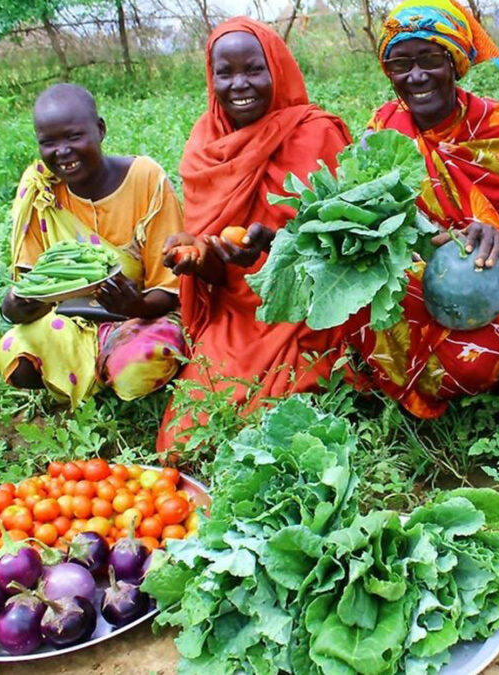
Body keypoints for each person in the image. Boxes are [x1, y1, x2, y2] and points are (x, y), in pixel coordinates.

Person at [156, 17, 351, 453]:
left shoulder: (316, 133)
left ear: (277, 71)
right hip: (237, 309)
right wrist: (197, 257)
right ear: (212, 78)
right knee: (189, 431)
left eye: (253, 70)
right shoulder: (206, 143)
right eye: (225, 73)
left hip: (308, 305)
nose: (239, 84)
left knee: (280, 423)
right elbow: (212, 253)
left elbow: (346, 244)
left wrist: (280, 247)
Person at [343, 0, 499, 419]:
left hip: (489, 285)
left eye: (430, 59)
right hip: (411, 277)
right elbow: (370, 214)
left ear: (456, 62)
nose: (416, 76)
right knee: (355, 312)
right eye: (400, 64)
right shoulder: (383, 127)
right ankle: (389, 378)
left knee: (475, 362)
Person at [0, 84, 185, 407]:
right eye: (48, 143)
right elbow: (32, 287)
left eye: (74, 137)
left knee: (142, 364)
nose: (62, 152)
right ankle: (91, 367)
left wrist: (134, 307)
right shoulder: (42, 190)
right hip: (70, 322)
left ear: (101, 130)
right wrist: (14, 306)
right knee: (16, 358)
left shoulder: (144, 179)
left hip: (141, 317)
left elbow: (169, 289)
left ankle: (102, 367)